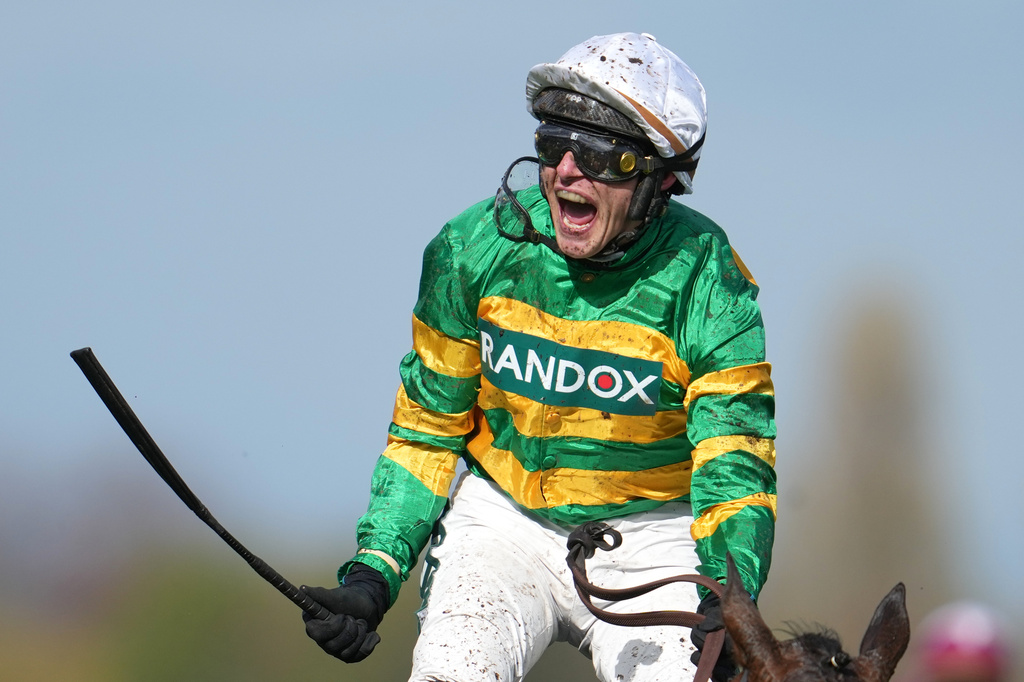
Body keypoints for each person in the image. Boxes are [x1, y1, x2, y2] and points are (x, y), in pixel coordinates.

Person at [302, 32, 777, 682]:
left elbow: (734, 469)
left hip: (656, 538)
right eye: (554, 145)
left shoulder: (712, 284)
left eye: (601, 155)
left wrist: (729, 597)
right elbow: (425, 433)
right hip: (503, 520)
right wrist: (372, 574)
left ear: (661, 179)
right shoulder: (469, 249)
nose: (567, 173)